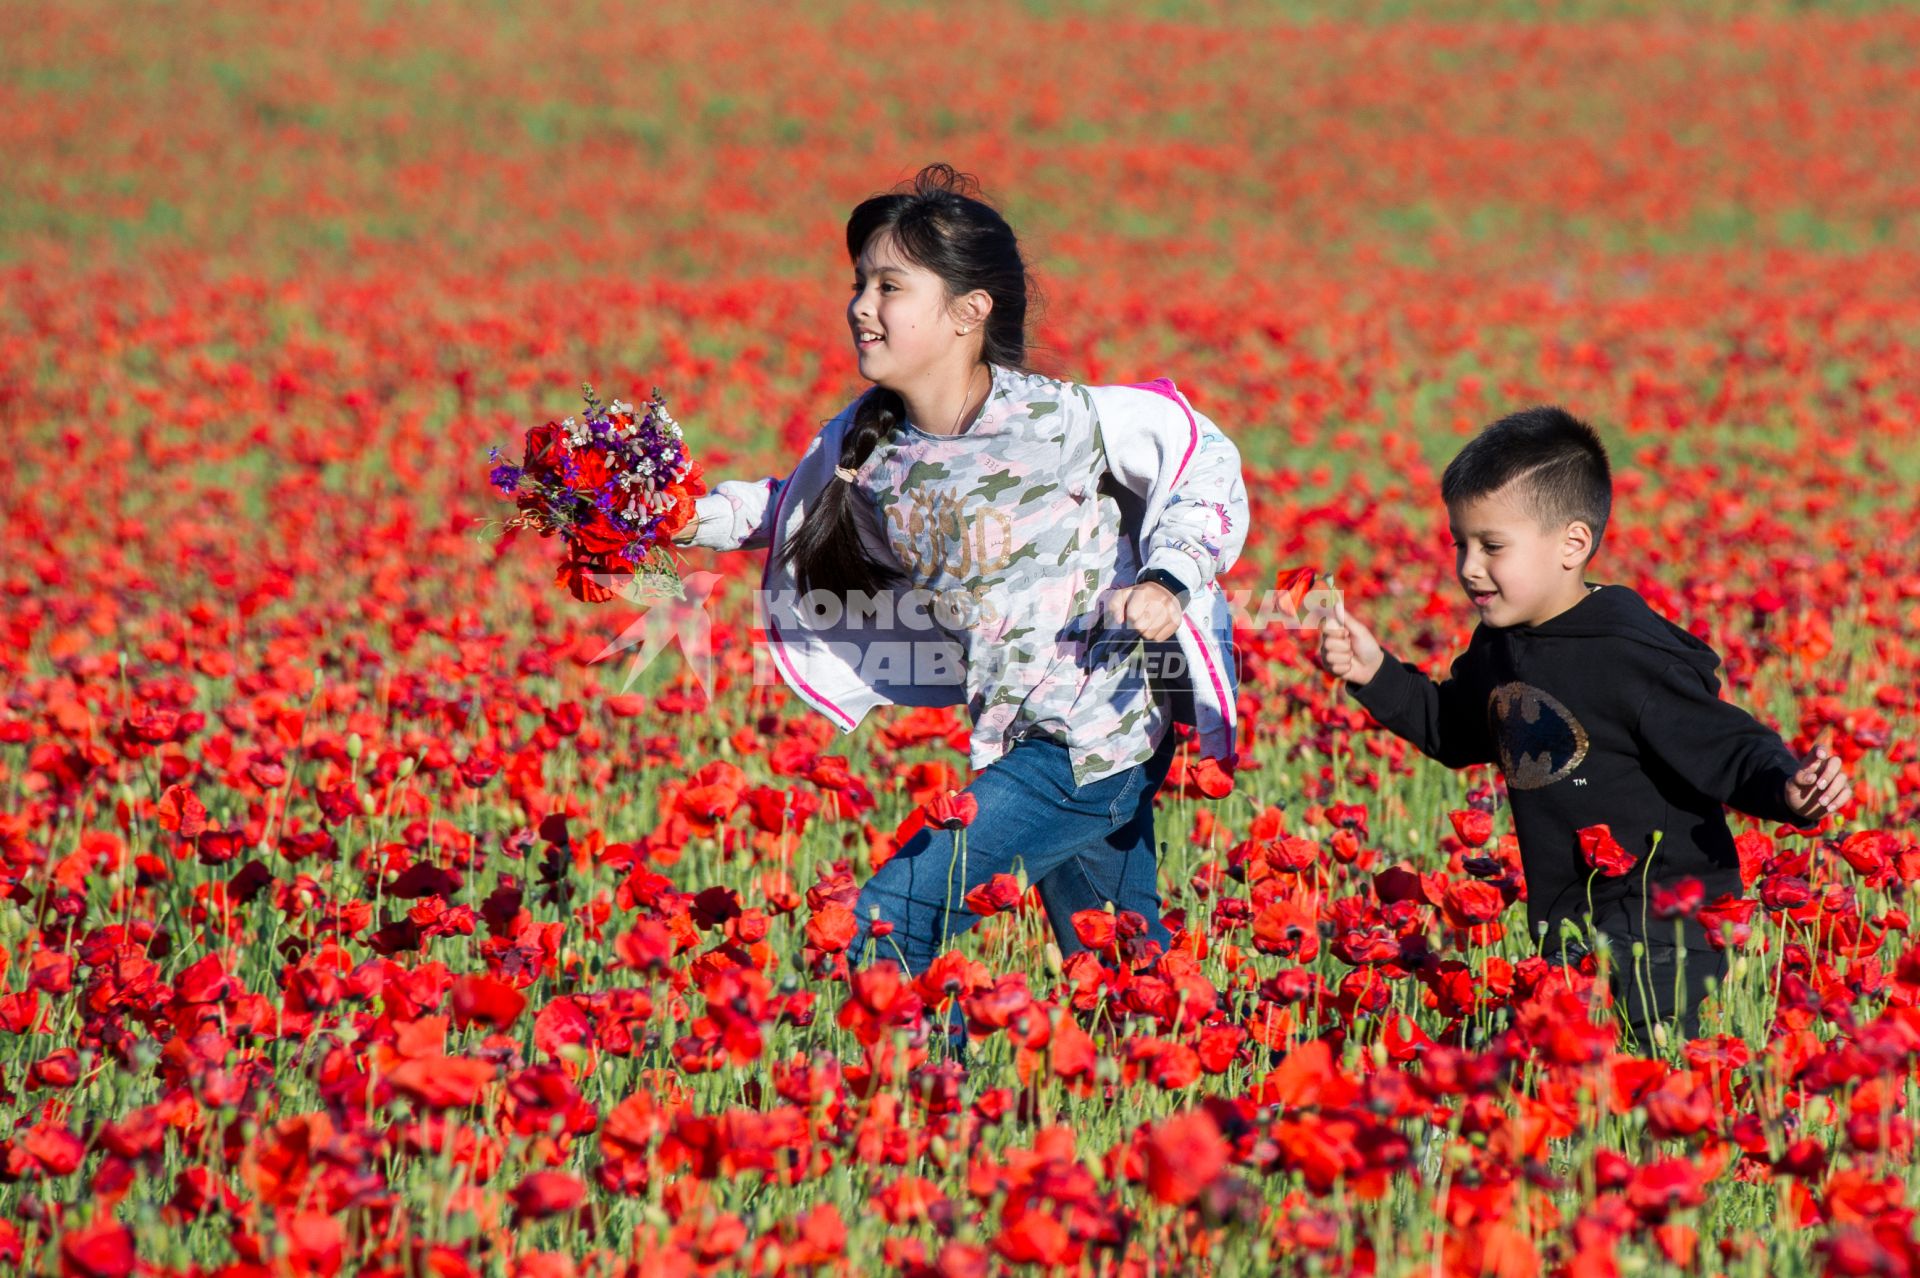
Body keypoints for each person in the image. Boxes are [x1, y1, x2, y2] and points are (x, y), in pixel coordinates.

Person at [673, 163, 1249, 982]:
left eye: (890, 286)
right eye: (859, 284)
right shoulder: (873, 445)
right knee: (1129, 978)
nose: (861, 307)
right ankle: (1227, 1111)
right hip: (1014, 735)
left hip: (1090, 737)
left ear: (968, 312)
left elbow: (1202, 461)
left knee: (883, 924)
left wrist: (1168, 579)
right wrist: (668, 515)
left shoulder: (1061, 420)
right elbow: (784, 509)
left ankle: (935, 1106)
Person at [1315, 406, 1851, 1051]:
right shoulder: (1498, 645)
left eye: (1491, 546)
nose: (1468, 567)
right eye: (1460, 543)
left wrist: (1787, 787)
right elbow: (1452, 729)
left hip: (1666, 927)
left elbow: (1727, 742)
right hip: (1568, 926)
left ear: (1571, 545)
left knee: (1646, 1091)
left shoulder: (1629, 654)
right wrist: (1375, 672)